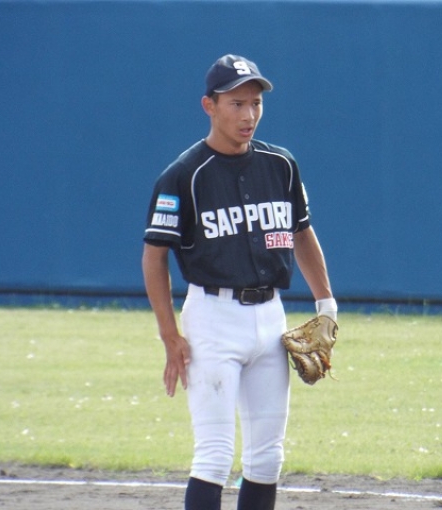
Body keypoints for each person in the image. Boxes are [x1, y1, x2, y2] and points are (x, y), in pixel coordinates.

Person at [142, 54, 337, 510]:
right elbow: (154, 256)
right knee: (214, 456)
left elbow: (301, 232)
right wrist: (170, 335)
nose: (249, 114)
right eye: (236, 104)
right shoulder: (183, 176)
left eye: (256, 103)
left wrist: (326, 303)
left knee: (267, 458)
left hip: (270, 319)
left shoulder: (281, 165)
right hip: (212, 319)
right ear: (209, 106)